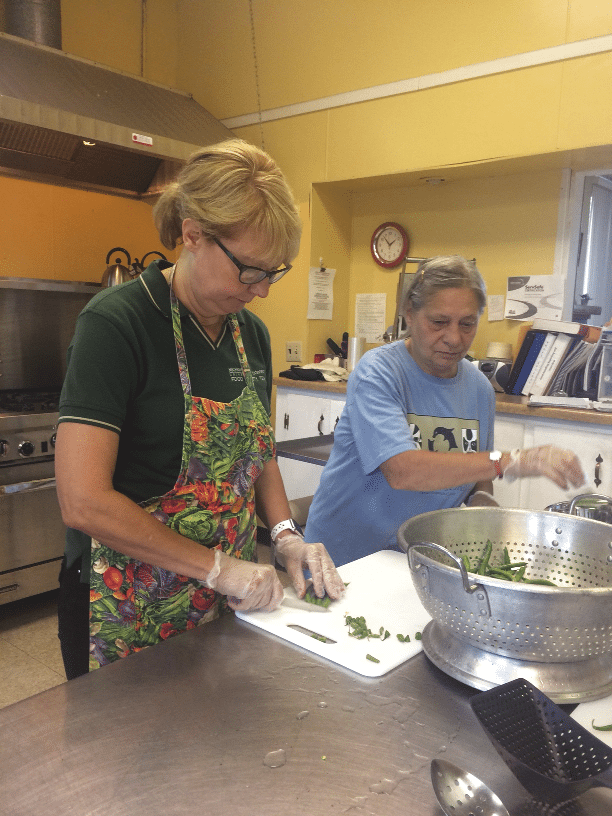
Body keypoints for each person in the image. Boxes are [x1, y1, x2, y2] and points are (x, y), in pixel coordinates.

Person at [55, 139, 344, 679]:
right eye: (250, 270)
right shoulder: (116, 325)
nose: (262, 291)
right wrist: (217, 567)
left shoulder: (250, 335)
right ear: (192, 235)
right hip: (125, 605)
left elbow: (257, 453)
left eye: (273, 272)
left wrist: (285, 536)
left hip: (228, 602)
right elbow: (83, 501)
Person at [304, 256, 586, 566]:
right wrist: (513, 460)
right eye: (439, 322)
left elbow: (477, 473)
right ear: (410, 314)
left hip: (420, 556)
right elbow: (403, 471)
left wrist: (483, 503)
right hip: (346, 558)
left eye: (467, 324)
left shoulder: (479, 389)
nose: (454, 338)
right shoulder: (378, 372)